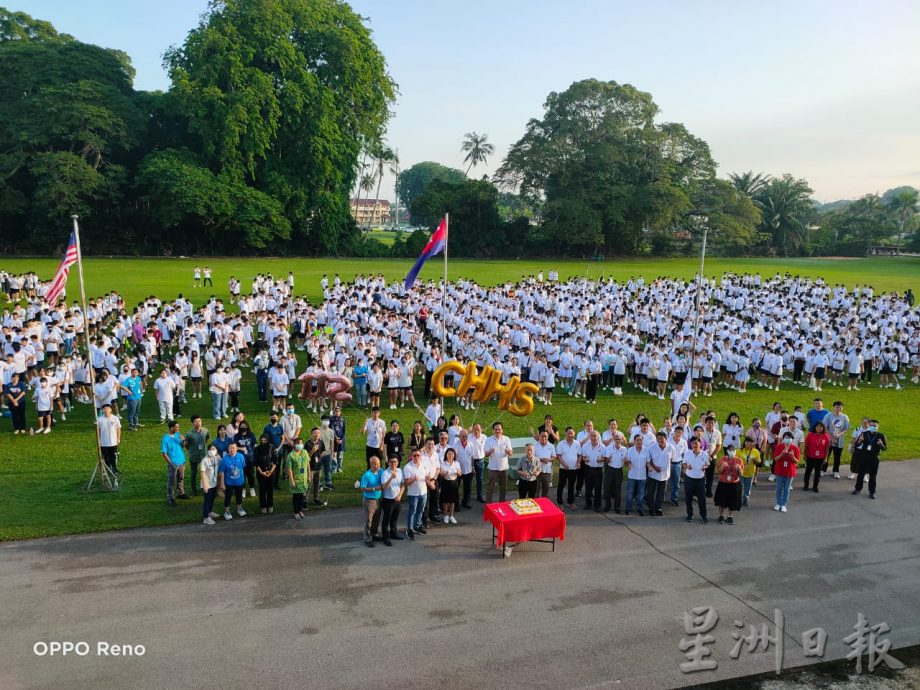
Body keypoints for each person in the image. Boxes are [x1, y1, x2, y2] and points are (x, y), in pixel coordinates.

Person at [852, 419, 886, 499]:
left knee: (873, 476)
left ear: (878, 427)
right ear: (869, 425)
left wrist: (881, 444)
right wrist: (860, 441)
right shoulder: (864, 433)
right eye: (871, 425)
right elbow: (856, 445)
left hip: (874, 458)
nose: (872, 427)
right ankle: (857, 489)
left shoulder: (881, 436)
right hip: (864, 457)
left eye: (874, 426)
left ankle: (872, 492)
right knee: (860, 474)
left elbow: (884, 448)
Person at [646, 431, 675, 516]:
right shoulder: (651, 448)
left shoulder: (671, 448)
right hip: (653, 474)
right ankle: (651, 508)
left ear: (666, 439)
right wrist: (655, 467)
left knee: (661, 492)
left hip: (665, 475)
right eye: (658, 438)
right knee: (651, 491)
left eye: (662, 439)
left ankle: (658, 507)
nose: (660, 440)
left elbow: (672, 459)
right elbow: (649, 460)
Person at [682, 437, 710, 523]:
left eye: (696, 443)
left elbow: (708, 464)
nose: (695, 445)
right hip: (689, 479)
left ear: (700, 444)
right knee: (688, 498)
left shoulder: (704, 454)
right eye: (693, 443)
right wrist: (687, 466)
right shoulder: (687, 453)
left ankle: (704, 516)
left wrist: (704, 467)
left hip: (700, 480)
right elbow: (683, 464)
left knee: (702, 499)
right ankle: (689, 515)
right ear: (691, 444)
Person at [484, 421, 513, 503]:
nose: (497, 431)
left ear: (502, 430)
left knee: (503, 488)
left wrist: (508, 452)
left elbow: (511, 453)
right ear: (493, 430)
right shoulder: (489, 440)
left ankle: (502, 504)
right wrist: (490, 451)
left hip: (504, 468)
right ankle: (488, 506)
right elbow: (486, 454)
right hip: (493, 468)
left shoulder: (506, 439)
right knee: (490, 488)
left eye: (499, 429)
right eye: (496, 429)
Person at [713, 445, 743, 524]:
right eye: (730, 450)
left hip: (734, 484)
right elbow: (718, 472)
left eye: (733, 450)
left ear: (735, 451)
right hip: (723, 483)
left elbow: (741, 474)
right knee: (721, 501)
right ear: (727, 451)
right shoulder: (723, 459)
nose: (732, 451)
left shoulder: (739, 460)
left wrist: (739, 469)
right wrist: (723, 467)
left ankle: (730, 516)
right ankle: (721, 516)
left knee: (732, 502)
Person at [161, 420, 187, 506]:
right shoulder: (165, 438)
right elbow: (164, 453)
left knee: (181, 478)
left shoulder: (178, 435)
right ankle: (170, 498)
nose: (178, 428)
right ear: (171, 428)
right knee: (171, 481)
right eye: (177, 427)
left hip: (181, 461)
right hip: (173, 463)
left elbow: (183, 447)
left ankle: (181, 493)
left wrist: (183, 441)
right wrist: (170, 463)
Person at [360, 456, 385, 547]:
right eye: (374, 464)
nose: (377, 466)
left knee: (377, 519)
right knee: (368, 520)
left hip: (378, 499)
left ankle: (374, 534)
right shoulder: (367, 475)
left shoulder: (381, 471)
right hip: (369, 500)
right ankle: (367, 538)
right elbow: (362, 488)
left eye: (378, 463)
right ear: (370, 464)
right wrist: (375, 488)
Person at [773, 432, 800, 512]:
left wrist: (792, 456)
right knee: (779, 488)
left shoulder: (795, 448)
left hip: (790, 472)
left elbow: (796, 461)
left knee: (787, 489)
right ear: (783, 438)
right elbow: (776, 459)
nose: (787, 439)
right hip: (779, 471)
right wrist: (782, 453)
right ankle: (778, 503)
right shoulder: (779, 447)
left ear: (792, 439)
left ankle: (783, 504)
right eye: (786, 437)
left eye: (789, 438)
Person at [822, 400, 850, 479]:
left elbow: (846, 428)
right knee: (826, 455)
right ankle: (823, 469)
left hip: (839, 440)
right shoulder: (828, 416)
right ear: (834, 407)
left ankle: (836, 471)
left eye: (840, 407)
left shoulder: (845, 417)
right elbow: (825, 428)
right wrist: (832, 437)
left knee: (837, 456)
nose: (838, 409)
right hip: (828, 440)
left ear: (842, 408)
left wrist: (839, 434)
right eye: (837, 407)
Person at [380, 456, 404, 545]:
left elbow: (402, 484)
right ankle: (385, 537)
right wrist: (391, 477)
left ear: (397, 462)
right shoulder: (385, 473)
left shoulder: (400, 471)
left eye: (395, 461)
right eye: (391, 462)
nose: (393, 463)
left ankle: (393, 533)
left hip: (397, 499)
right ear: (388, 463)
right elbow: (383, 486)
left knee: (395, 518)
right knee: (386, 519)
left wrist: (400, 495)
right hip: (388, 500)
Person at [219, 441, 247, 520]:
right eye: (230, 448)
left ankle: (239, 509)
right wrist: (222, 483)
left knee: (239, 496)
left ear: (236, 449)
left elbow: (243, 467)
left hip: (239, 482)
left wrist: (242, 479)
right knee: (228, 497)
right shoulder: (224, 459)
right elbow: (221, 472)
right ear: (228, 448)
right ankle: (226, 511)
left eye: (233, 448)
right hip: (229, 483)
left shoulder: (241, 457)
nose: (232, 450)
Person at [403, 450, 427, 539]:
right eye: (414, 455)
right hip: (413, 494)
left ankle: (417, 526)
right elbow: (407, 482)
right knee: (412, 512)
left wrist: (429, 481)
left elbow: (426, 477)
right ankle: (409, 529)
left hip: (423, 492)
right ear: (411, 456)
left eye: (418, 455)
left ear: (420, 456)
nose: (416, 457)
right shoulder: (407, 467)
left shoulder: (424, 465)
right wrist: (413, 479)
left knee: (420, 510)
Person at [580, 431, 606, 511]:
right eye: (592, 436)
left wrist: (601, 459)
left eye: (595, 436)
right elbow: (582, 457)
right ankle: (588, 504)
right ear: (590, 437)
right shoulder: (585, 446)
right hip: (588, 469)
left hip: (598, 470)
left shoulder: (603, 447)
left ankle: (597, 505)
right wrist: (585, 460)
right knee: (588, 487)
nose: (594, 438)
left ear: (598, 437)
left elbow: (605, 458)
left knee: (598, 488)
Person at [556, 426, 580, 509]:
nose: (570, 435)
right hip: (564, 469)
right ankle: (559, 503)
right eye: (569, 433)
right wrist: (564, 464)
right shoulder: (561, 444)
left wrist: (578, 463)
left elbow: (579, 455)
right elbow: (558, 455)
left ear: (574, 433)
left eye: (572, 433)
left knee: (571, 485)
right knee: (561, 485)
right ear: (565, 433)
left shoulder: (577, 443)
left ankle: (570, 502)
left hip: (573, 469)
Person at [625, 434, 649, 516]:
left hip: (642, 476)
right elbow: (627, 461)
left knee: (641, 494)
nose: (639, 441)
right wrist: (628, 464)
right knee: (630, 493)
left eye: (640, 440)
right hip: (632, 475)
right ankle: (628, 509)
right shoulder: (630, 450)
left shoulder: (646, 450)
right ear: (634, 441)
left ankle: (640, 508)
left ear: (642, 441)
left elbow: (648, 462)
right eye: (637, 440)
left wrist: (650, 468)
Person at [184, 415, 209, 496]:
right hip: (193, 456)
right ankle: (194, 489)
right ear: (192, 423)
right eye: (196, 421)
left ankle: (204, 487)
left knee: (204, 472)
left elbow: (207, 439)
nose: (198, 423)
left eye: (200, 421)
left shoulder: (205, 430)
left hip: (203, 455)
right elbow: (186, 445)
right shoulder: (189, 434)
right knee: (194, 472)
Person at [803, 421, 831, 493]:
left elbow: (827, 448)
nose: (819, 428)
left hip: (820, 458)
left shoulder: (826, 436)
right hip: (810, 456)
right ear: (815, 427)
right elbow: (806, 446)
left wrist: (826, 458)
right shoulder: (810, 435)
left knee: (817, 473)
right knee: (808, 471)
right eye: (817, 426)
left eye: (821, 427)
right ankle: (806, 485)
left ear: (823, 428)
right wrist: (805, 455)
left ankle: (815, 487)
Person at [286, 437, 309, 519]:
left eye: (301, 443)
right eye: (298, 443)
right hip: (296, 479)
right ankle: (296, 512)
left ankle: (300, 510)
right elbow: (289, 469)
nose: (300, 445)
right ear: (295, 445)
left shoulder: (305, 452)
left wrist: (309, 476)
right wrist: (292, 480)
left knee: (302, 496)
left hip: (304, 479)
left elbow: (307, 464)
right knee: (296, 497)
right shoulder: (291, 456)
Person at [439, 447, 462, 522]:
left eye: (452, 454)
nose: (450, 456)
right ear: (446, 455)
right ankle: (445, 515)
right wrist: (444, 474)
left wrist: (459, 473)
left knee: (453, 500)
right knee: (445, 500)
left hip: (454, 482)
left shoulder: (457, 463)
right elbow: (441, 475)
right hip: (446, 482)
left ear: (454, 455)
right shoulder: (443, 464)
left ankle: (451, 516)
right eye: (449, 454)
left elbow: (459, 473)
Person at [254, 434, 276, 514]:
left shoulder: (272, 448)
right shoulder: (257, 449)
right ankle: (263, 506)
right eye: (262, 440)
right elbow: (256, 463)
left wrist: (270, 471)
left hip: (271, 472)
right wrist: (261, 472)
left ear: (268, 440)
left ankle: (270, 505)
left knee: (270, 490)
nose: (263, 442)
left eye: (265, 440)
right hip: (261, 472)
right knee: (262, 490)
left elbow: (275, 461)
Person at [97, 404, 122, 475]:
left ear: (110, 410)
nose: (106, 410)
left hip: (113, 442)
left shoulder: (115, 418)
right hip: (103, 442)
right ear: (102, 410)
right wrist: (98, 440)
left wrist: (118, 438)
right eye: (104, 409)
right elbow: (98, 431)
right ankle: (107, 468)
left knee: (113, 456)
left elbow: (118, 429)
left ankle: (114, 468)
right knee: (106, 456)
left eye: (107, 409)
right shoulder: (99, 419)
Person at [200, 445, 221, 525]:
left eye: (214, 449)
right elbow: (203, 473)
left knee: (212, 499)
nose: (212, 451)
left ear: (216, 450)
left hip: (214, 483)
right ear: (208, 450)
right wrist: (205, 485)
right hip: (207, 484)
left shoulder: (217, 458)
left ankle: (210, 512)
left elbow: (222, 463)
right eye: (210, 449)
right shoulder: (204, 460)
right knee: (207, 501)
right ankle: (206, 517)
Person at [738, 436, 761, 507]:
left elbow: (759, 462)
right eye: (748, 442)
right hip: (741, 472)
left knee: (748, 487)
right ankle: (739, 499)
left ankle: (745, 499)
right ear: (745, 443)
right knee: (739, 486)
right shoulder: (739, 451)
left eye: (751, 442)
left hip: (750, 472)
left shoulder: (755, 451)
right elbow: (736, 460)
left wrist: (755, 461)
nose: (750, 444)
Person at [533, 429, 556, 499]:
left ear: (548, 436)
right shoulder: (534, 446)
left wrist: (549, 459)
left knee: (546, 490)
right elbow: (532, 458)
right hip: (536, 471)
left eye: (545, 436)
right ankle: (535, 504)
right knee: (535, 490)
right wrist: (541, 459)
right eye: (542, 436)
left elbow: (554, 457)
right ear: (539, 436)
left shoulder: (551, 446)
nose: (544, 438)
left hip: (547, 471)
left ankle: (544, 505)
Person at [307, 427, 326, 507]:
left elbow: (322, 452)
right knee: (308, 484)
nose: (316, 434)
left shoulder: (321, 442)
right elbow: (306, 457)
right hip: (310, 467)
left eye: (318, 433)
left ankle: (316, 499)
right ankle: (304, 500)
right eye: (315, 433)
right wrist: (313, 451)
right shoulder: (308, 444)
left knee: (317, 484)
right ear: (312, 434)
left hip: (319, 467)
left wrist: (319, 459)